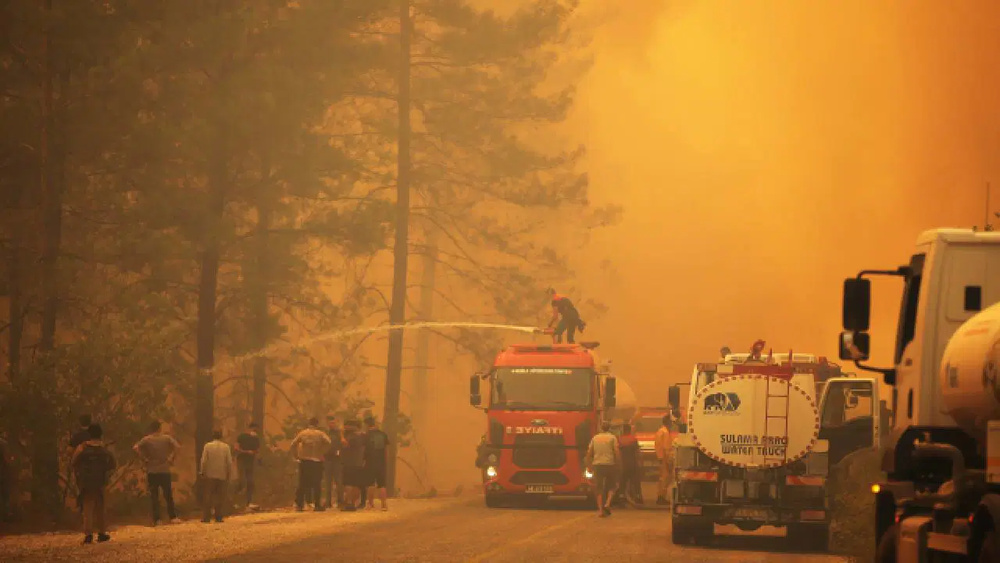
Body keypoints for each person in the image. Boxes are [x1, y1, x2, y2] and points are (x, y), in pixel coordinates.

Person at [72, 424, 116, 544]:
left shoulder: (82, 447)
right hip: (100, 480)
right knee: (100, 507)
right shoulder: (104, 448)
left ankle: (88, 534)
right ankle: (101, 533)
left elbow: (74, 461)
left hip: (86, 482)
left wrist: (79, 474)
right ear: (101, 434)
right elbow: (112, 464)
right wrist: (107, 475)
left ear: (89, 434)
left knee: (87, 507)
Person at [133, 420, 181, 525]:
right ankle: (172, 516)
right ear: (159, 428)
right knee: (168, 494)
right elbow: (177, 447)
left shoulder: (147, 439)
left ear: (151, 429)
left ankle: (157, 519)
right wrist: (171, 458)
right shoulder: (166, 438)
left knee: (154, 496)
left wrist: (144, 459)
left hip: (152, 470)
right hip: (164, 470)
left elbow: (136, 447)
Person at [290, 417, 331, 512]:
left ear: (309, 423)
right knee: (317, 483)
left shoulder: (303, 433)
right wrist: (322, 452)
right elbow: (328, 443)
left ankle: (299, 505)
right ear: (317, 424)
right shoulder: (320, 434)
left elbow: (293, 444)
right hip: (317, 461)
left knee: (302, 483)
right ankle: (317, 505)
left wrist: (296, 456)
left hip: (304, 461)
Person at [586, 421, 621, 517]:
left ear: (601, 428)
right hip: (610, 464)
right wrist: (618, 463)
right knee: (613, 486)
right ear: (609, 428)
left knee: (599, 488)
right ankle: (607, 504)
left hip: (597, 465)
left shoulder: (595, 438)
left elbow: (589, 453)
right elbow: (616, 452)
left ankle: (601, 511)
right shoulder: (612, 438)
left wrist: (589, 466)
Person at [199, 430, 233, 523]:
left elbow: (204, 460)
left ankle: (206, 517)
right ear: (221, 436)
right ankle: (218, 517)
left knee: (208, 496)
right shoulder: (226, 447)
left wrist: (202, 472)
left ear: (212, 436)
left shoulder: (207, 446)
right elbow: (229, 462)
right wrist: (229, 474)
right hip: (222, 474)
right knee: (220, 496)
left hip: (210, 474)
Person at [363, 416, 390, 511]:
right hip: (381, 463)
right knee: (382, 484)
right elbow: (386, 450)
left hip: (370, 463)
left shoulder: (366, 435)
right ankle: (384, 505)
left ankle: (370, 504)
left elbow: (364, 450)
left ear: (367, 425)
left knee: (370, 484)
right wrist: (385, 462)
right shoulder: (383, 435)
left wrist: (363, 461)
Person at [69, 414, 93, 512]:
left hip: (80, 467)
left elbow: (69, 450)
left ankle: (83, 508)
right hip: (95, 467)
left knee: (82, 488)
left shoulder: (77, 435)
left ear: (80, 423)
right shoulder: (94, 435)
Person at [234, 422, 261, 509]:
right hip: (241, 460)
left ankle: (248, 502)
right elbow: (236, 448)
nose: (255, 431)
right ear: (250, 428)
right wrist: (246, 452)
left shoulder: (256, 439)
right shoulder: (241, 436)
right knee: (241, 481)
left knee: (250, 482)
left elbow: (257, 450)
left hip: (250, 462)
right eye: (254, 429)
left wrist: (254, 453)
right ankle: (235, 502)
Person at [340, 419, 366, 512]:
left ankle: (349, 503)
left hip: (350, 463)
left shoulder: (352, 437)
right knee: (356, 484)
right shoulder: (363, 436)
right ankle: (353, 503)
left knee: (348, 483)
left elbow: (345, 444)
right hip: (359, 462)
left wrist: (342, 435)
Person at [323, 416, 347, 510]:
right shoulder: (325, 433)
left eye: (333, 423)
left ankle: (340, 501)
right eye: (330, 423)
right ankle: (328, 502)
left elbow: (344, 444)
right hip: (327, 459)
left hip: (337, 459)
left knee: (339, 481)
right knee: (328, 481)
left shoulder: (339, 433)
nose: (331, 424)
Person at [617, 423, 643, 505]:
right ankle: (638, 497)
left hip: (623, 464)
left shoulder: (619, 440)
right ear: (629, 430)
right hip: (633, 464)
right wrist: (640, 462)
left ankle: (621, 497)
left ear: (623, 430)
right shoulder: (633, 439)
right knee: (635, 482)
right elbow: (637, 452)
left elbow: (617, 452)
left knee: (622, 482)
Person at [654, 414, 674, 505]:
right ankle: (661, 497)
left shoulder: (659, 431)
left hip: (660, 457)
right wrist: (669, 462)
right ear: (669, 423)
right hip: (664, 459)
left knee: (661, 478)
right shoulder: (665, 432)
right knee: (665, 479)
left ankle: (660, 496)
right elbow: (666, 449)